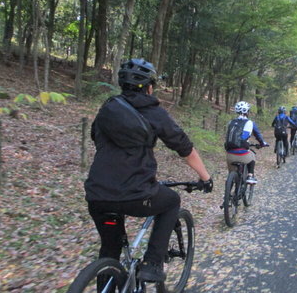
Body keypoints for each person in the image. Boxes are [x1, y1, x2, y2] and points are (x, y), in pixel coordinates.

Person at [84, 58, 213, 283]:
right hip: (135, 194)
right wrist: (205, 177)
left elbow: (96, 138)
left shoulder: (107, 108)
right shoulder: (154, 112)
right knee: (171, 201)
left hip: (97, 195)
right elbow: (184, 148)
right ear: (149, 87)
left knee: (109, 249)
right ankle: (153, 263)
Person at [225, 101, 269, 185]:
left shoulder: (231, 122)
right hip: (243, 155)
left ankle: (229, 187)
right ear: (247, 111)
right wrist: (262, 143)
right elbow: (256, 135)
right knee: (252, 156)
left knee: (231, 173)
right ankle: (250, 176)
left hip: (229, 155)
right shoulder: (250, 123)